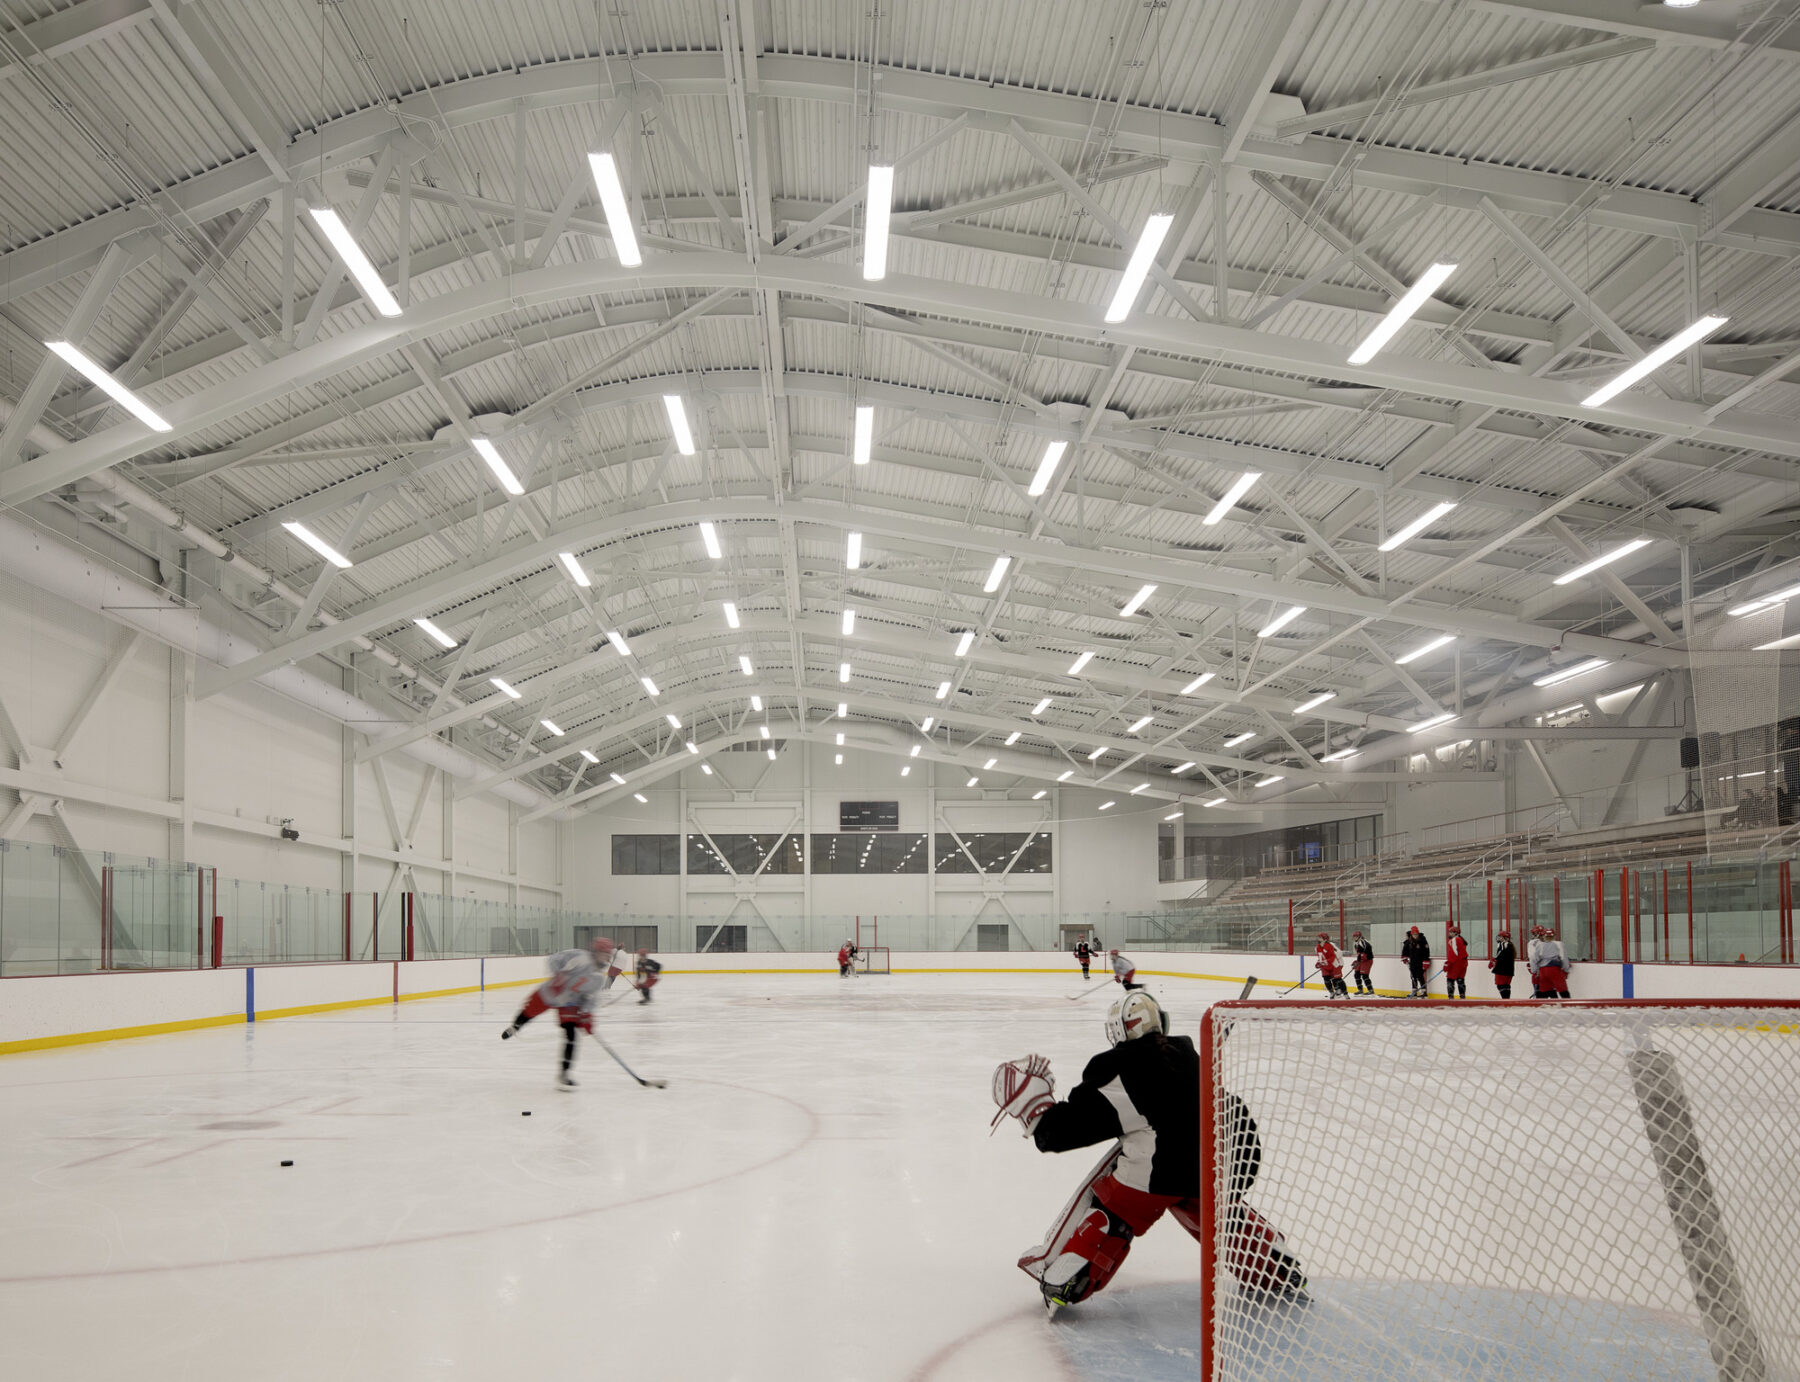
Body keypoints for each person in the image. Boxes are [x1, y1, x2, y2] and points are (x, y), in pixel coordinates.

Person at [990, 991, 1304, 1313]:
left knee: (1116, 1208)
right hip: (1219, 1164)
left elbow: (1058, 1134)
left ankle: (1068, 1279)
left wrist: (1034, 1108)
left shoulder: (1116, 1070)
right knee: (1205, 1204)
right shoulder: (1189, 1056)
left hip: (1159, 1174)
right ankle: (1272, 1263)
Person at [500, 938, 623, 1088]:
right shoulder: (580, 958)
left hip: (569, 1003)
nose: (606, 957)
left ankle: (564, 1074)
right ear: (595, 951)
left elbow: (590, 998)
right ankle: (516, 1026)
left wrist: (586, 1015)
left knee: (571, 1035)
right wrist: (559, 975)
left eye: (608, 955)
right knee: (528, 1011)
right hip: (552, 992)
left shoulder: (598, 978)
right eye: (603, 953)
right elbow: (554, 959)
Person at [1536, 930, 1571, 999]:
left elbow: (1535, 959)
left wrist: (1535, 971)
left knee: (1544, 990)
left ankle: (1540, 1005)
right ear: (1554, 936)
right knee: (1562, 989)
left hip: (1542, 970)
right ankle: (1567, 1003)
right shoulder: (1559, 944)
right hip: (1554, 969)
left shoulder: (1540, 945)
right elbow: (1564, 958)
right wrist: (1566, 970)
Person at [1401, 926, 1431, 998]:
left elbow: (1426, 952)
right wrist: (1404, 957)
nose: (1415, 936)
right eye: (1414, 934)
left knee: (1420, 976)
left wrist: (1426, 961)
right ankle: (1414, 992)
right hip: (1413, 962)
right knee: (1413, 977)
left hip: (1420, 961)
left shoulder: (1422, 941)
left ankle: (1424, 991)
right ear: (1411, 934)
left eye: (1416, 934)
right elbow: (1404, 951)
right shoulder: (1409, 942)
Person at [1315, 931, 1347, 999]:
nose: (1318, 939)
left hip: (1336, 964)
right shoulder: (1317, 947)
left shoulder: (1331, 945)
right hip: (1327, 965)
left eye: (1320, 937)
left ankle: (1339, 991)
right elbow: (1320, 957)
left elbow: (1338, 954)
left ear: (1325, 939)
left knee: (1336, 978)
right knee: (1327, 978)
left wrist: (1328, 961)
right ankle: (1334, 992)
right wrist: (1320, 962)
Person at [1443, 923, 1469, 1000]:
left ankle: (1451, 997)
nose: (1449, 934)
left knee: (1450, 980)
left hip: (1456, 963)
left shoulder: (1454, 940)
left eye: (1450, 932)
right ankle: (1462, 997)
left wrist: (1448, 963)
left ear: (1455, 933)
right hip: (1463, 963)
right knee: (1460, 980)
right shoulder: (1461, 939)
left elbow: (1453, 953)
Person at [1489, 927, 1516, 1000]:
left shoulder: (1504, 945)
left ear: (1505, 938)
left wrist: (1495, 960)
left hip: (1502, 970)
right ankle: (1507, 1000)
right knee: (1506, 986)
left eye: (1500, 936)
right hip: (1509, 970)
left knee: (1501, 985)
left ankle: (1505, 1000)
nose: (1499, 938)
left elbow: (1501, 956)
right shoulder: (1509, 945)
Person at [1350, 930, 1375, 995]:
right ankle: (1360, 989)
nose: (1355, 938)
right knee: (1356, 974)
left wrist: (1365, 955)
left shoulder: (1363, 942)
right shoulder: (1356, 944)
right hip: (1361, 961)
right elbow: (1359, 954)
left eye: (1356, 936)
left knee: (1364, 975)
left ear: (1359, 936)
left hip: (1367, 960)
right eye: (1354, 936)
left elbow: (1369, 948)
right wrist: (1357, 961)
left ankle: (1370, 990)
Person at [1526, 925, 1545, 999]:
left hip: (1539, 973)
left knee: (1539, 995)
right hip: (1543, 972)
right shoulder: (1542, 943)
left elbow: (1533, 957)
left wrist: (1534, 970)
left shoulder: (1533, 943)